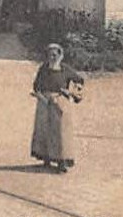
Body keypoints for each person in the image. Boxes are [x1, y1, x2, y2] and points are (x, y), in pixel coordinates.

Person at [31, 43, 84, 172]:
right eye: (50, 55)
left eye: (55, 54)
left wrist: (71, 92)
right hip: (44, 102)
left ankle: (61, 162)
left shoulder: (65, 69)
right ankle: (46, 158)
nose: (53, 57)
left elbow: (80, 81)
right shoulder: (43, 69)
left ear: (61, 55)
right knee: (44, 130)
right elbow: (36, 86)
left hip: (60, 102)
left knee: (61, 132)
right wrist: (40, 96)